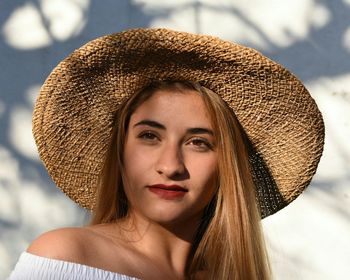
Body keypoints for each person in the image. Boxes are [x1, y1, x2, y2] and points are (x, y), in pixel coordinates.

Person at [8, 28, 324, 280]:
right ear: (120, 153)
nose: (171, 166)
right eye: (149, 136)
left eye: (199, 142)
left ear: (226, 167)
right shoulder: (67, 256)